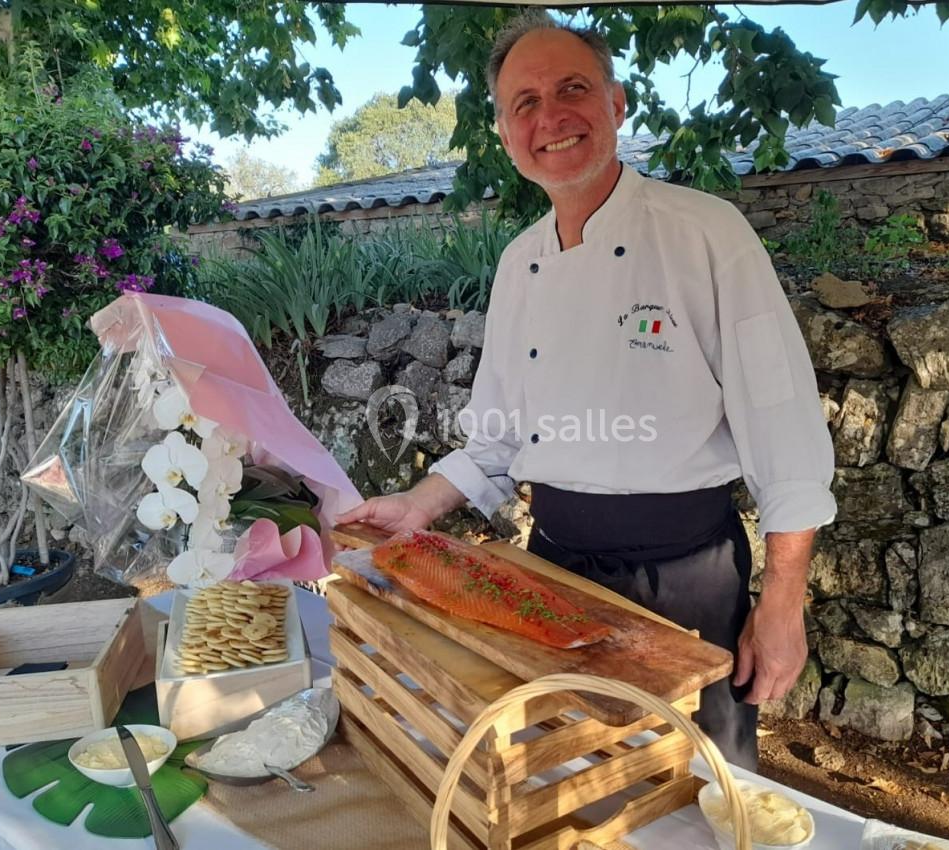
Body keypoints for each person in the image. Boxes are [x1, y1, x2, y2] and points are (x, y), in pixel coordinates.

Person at [336, 11, 835, 770]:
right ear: (505, 133)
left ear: (616, 103)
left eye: (573, 88)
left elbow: (785, 430)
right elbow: (497, 440)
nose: (551, 117)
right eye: (525, 104)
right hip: (554, 572)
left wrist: (784, 600)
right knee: (570, 782)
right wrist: (417, 506)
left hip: (690, 577)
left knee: (701, 787)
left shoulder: (706, 232)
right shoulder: (517, 263)